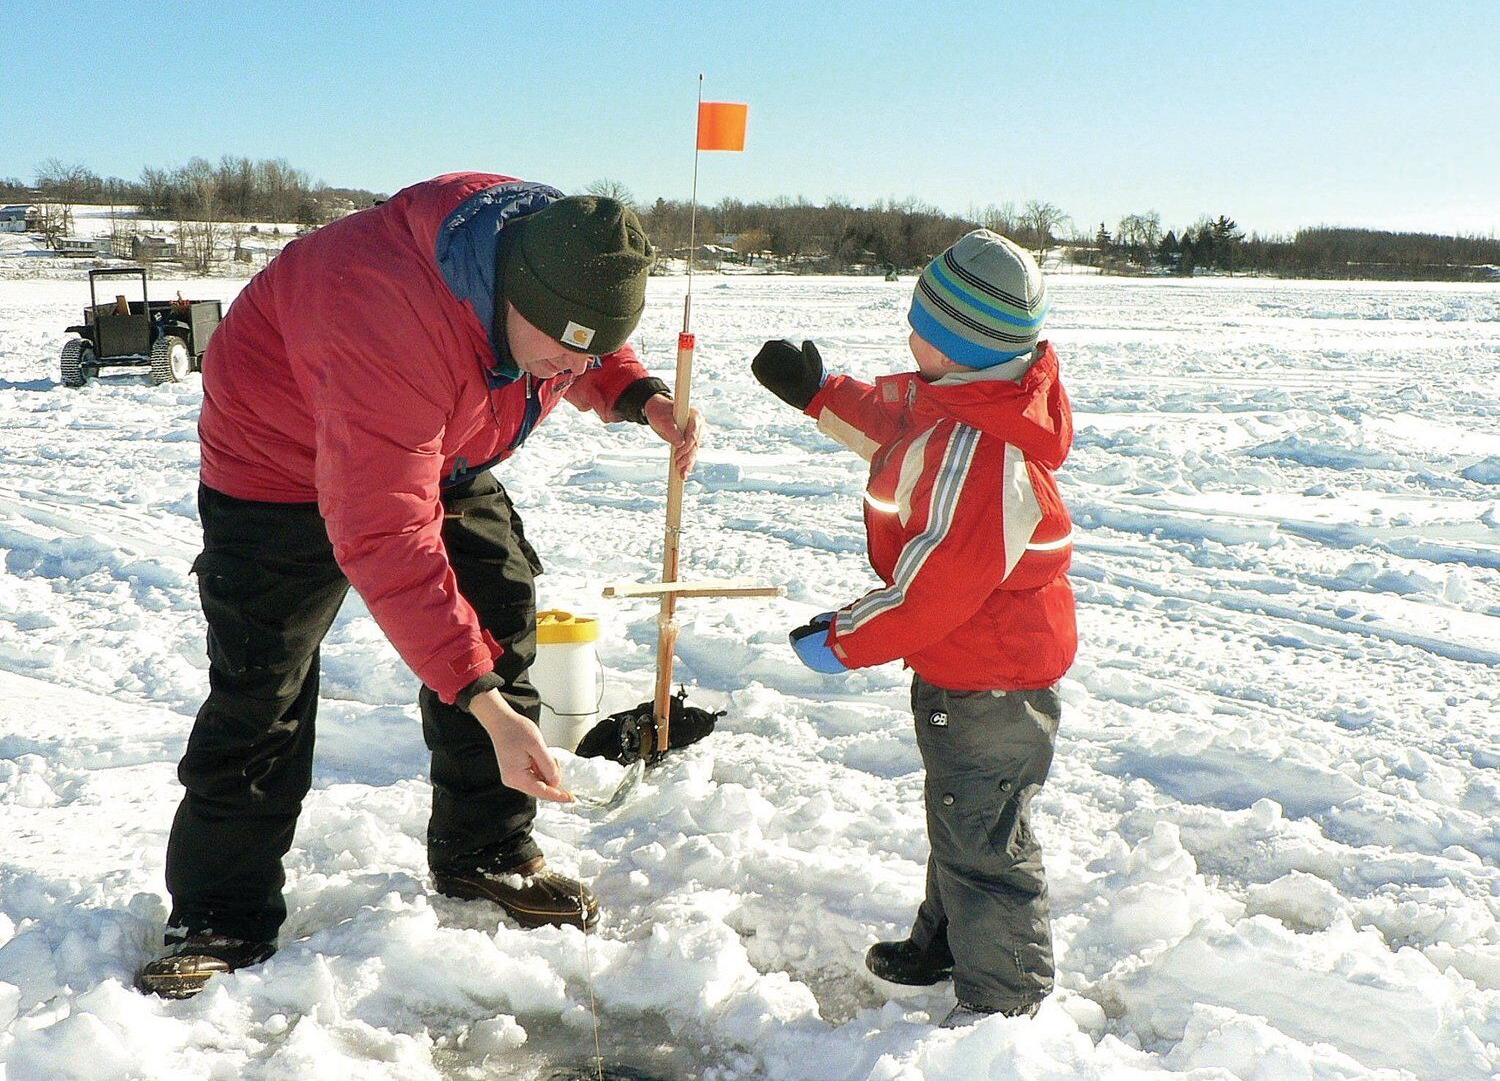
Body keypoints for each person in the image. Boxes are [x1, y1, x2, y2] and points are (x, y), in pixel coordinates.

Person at [136, 174, 702, 999]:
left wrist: (630, 389)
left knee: (500, 613)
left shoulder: (556, 252)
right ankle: (220, 912)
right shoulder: (381, 313)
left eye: (579, 358)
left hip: (439, 442)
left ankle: (485, 850)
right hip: (278, 465)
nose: (564, 373)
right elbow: (385, 534)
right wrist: (479, 699)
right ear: (509, 291)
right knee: (266, 683)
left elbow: (584, 332)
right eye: (557, 356)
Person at [751, 230, 1075, 1027]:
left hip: (988, 680)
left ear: (961, 347)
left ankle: (1006, 1005)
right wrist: (817, 389)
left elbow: (931, 591)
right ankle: (948, 945)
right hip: (971, 669)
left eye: (921, 326)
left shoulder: (983, 454)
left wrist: (844, 636)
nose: (908, 334)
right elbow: (895, 419)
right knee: (961, 816)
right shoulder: (965, 399)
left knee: (983, 840)